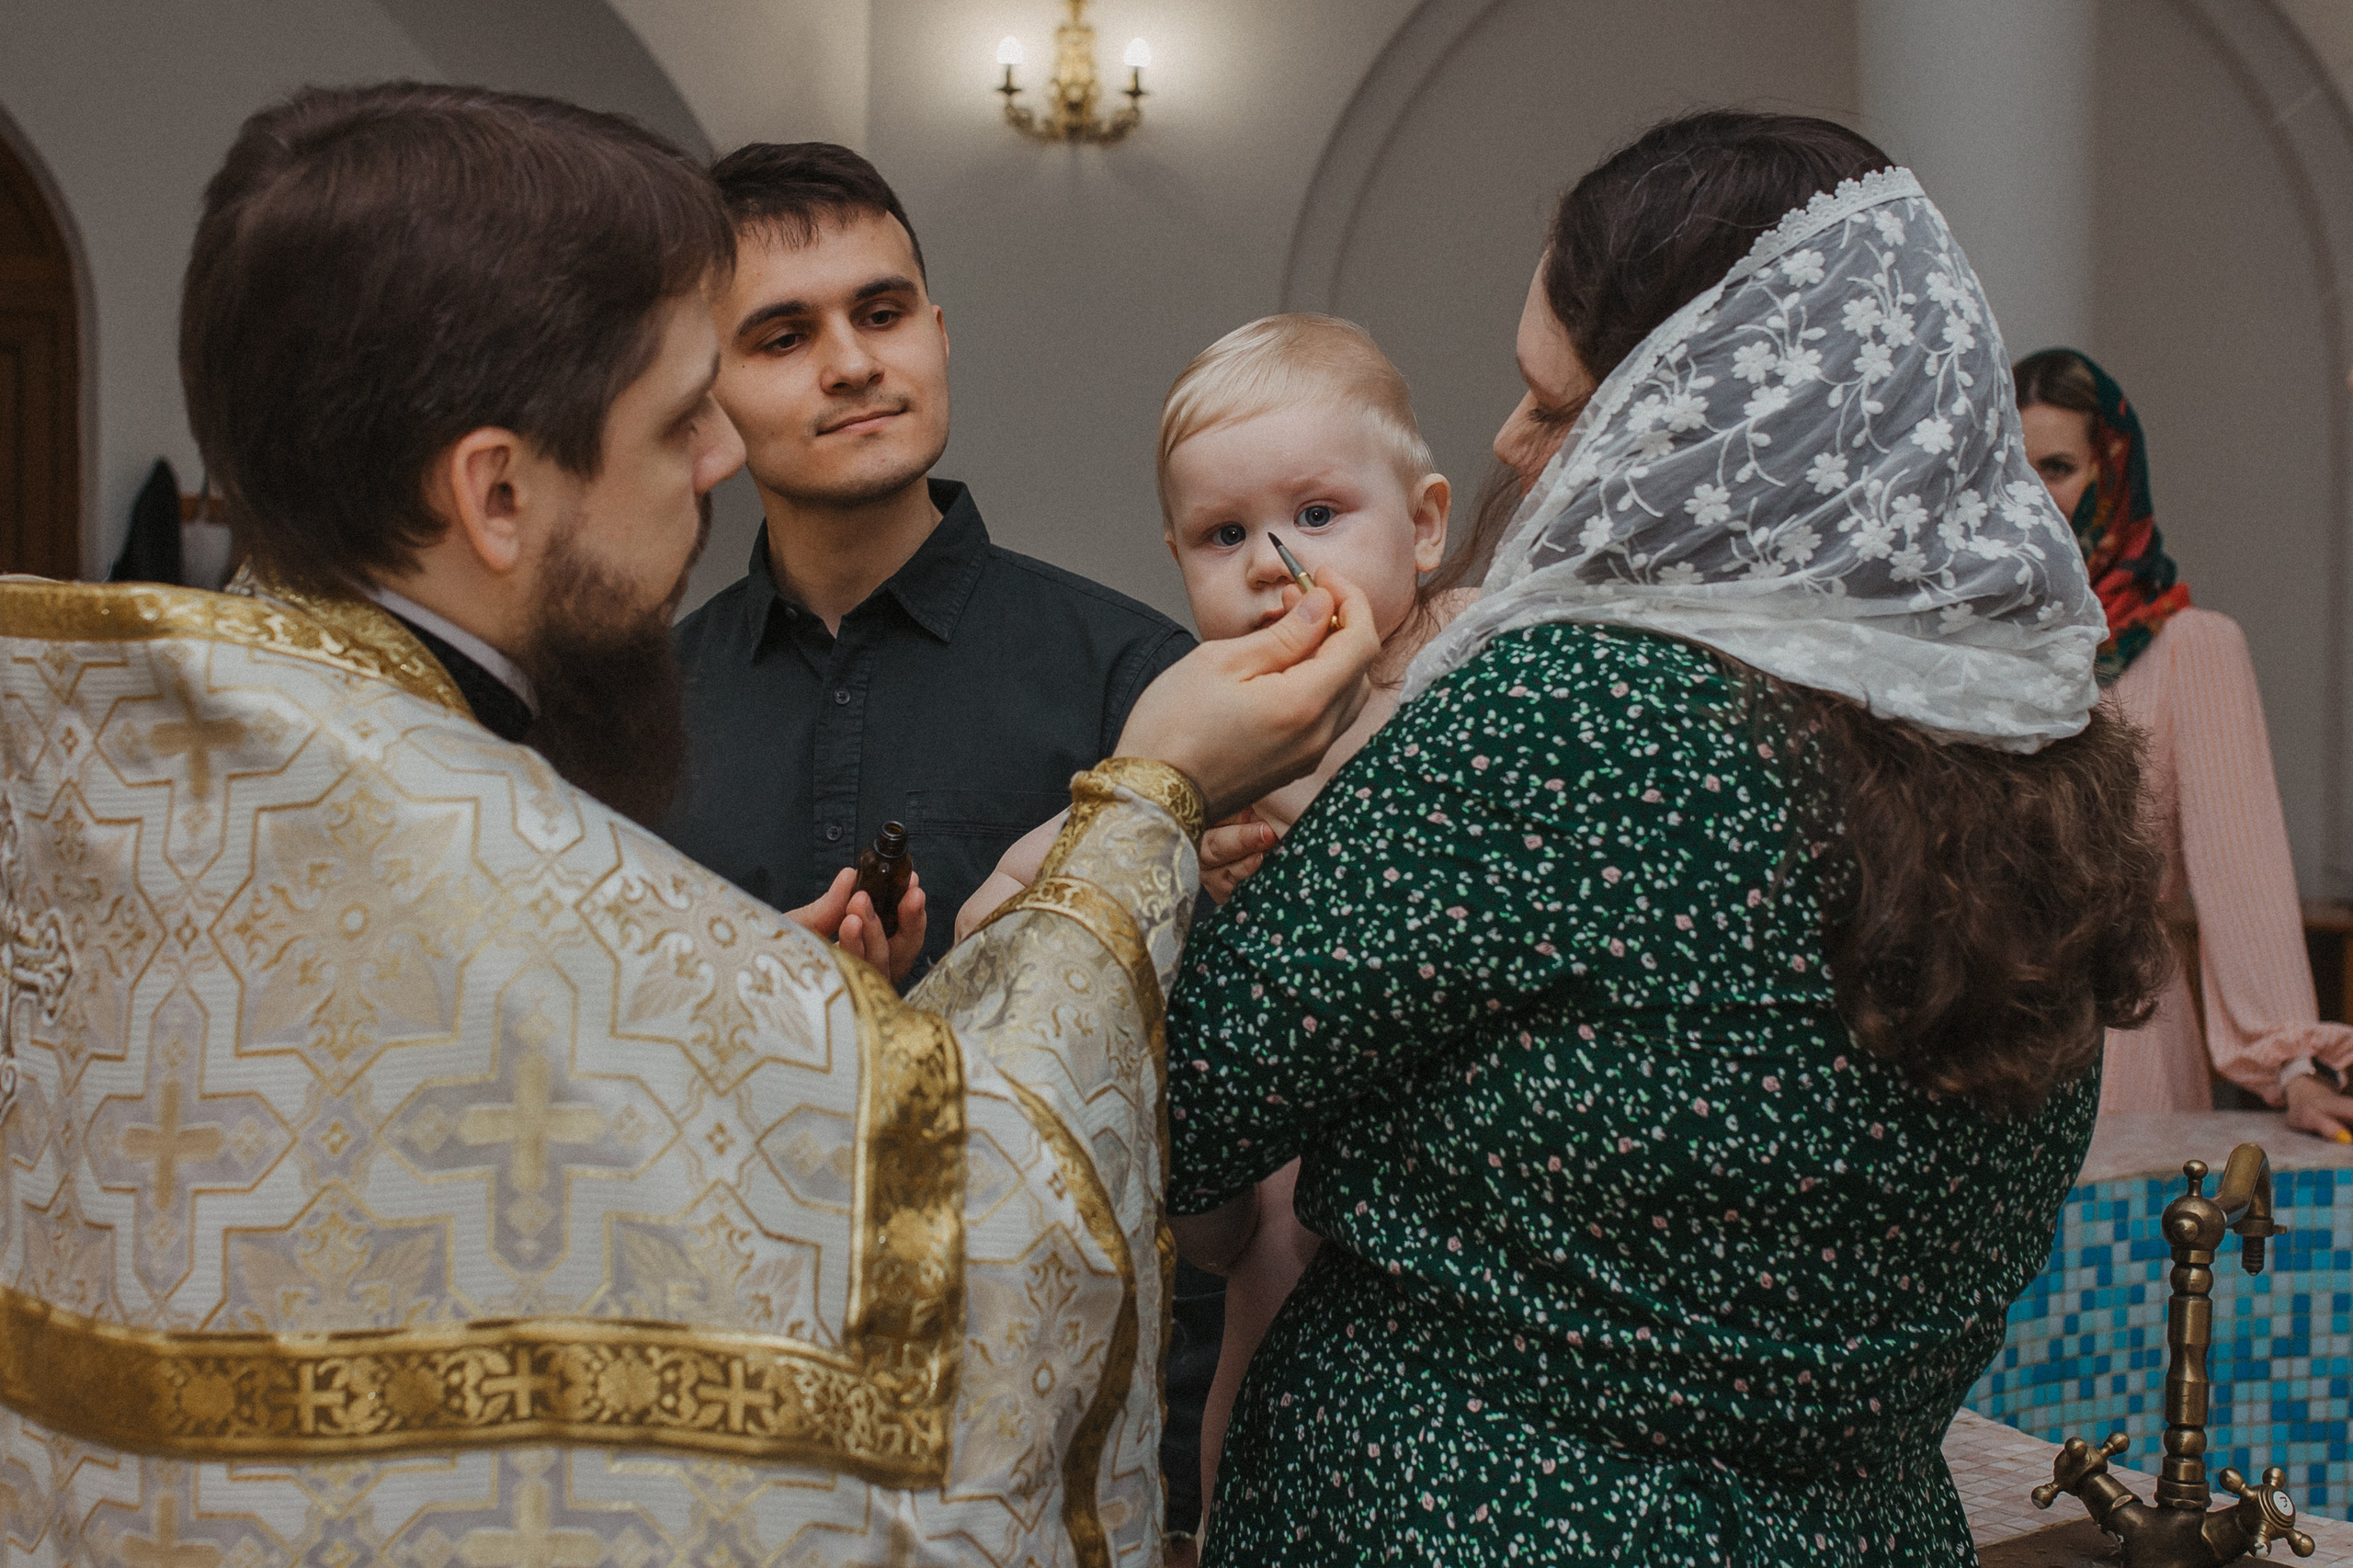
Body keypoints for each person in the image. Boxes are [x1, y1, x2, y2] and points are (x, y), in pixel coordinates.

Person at [0, 83, 1380, 1568]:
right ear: (499, 492)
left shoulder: (131, 779)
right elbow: (987, 1243)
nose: (721, 462)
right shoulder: (449, 811)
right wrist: (1148, 800)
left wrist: (700, 1038)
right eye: (680, 419)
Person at [1163, 111, 2170, 1565]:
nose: (1511, 442)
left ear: (1718, 419)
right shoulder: (2037, 745)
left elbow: (1188, 1101)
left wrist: (1153, 791)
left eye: (1559, 403)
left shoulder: (1578, 708)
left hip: (1479, 1516)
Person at [959, 313, 1472, 1531]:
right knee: (1253, 1350)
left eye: (1318, 513)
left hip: (1433, 1171)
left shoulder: (1476, 667)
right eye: (1224, 533)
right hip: (1260, 1175)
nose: (1272, 562)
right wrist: (1066, 871)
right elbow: (1078, 851)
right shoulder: (1213, 709)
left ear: (1429, 524)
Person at [663, 142, 1193, 983]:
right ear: (699, 395)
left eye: (881, 315)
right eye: (786, 337)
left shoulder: (1135, 678)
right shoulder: (638, 711)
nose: (853, 365)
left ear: (937, 336)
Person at [2016, 348, 2353, 1134]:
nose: (2035, 499)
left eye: (2059, 468)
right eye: (2013, 468)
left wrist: (2294, 1065)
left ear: (2113, 471)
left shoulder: (2190, 648)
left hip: (2121, 1033)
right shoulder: (1955, 649)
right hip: (1972, 1041)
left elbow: (2246, 870)